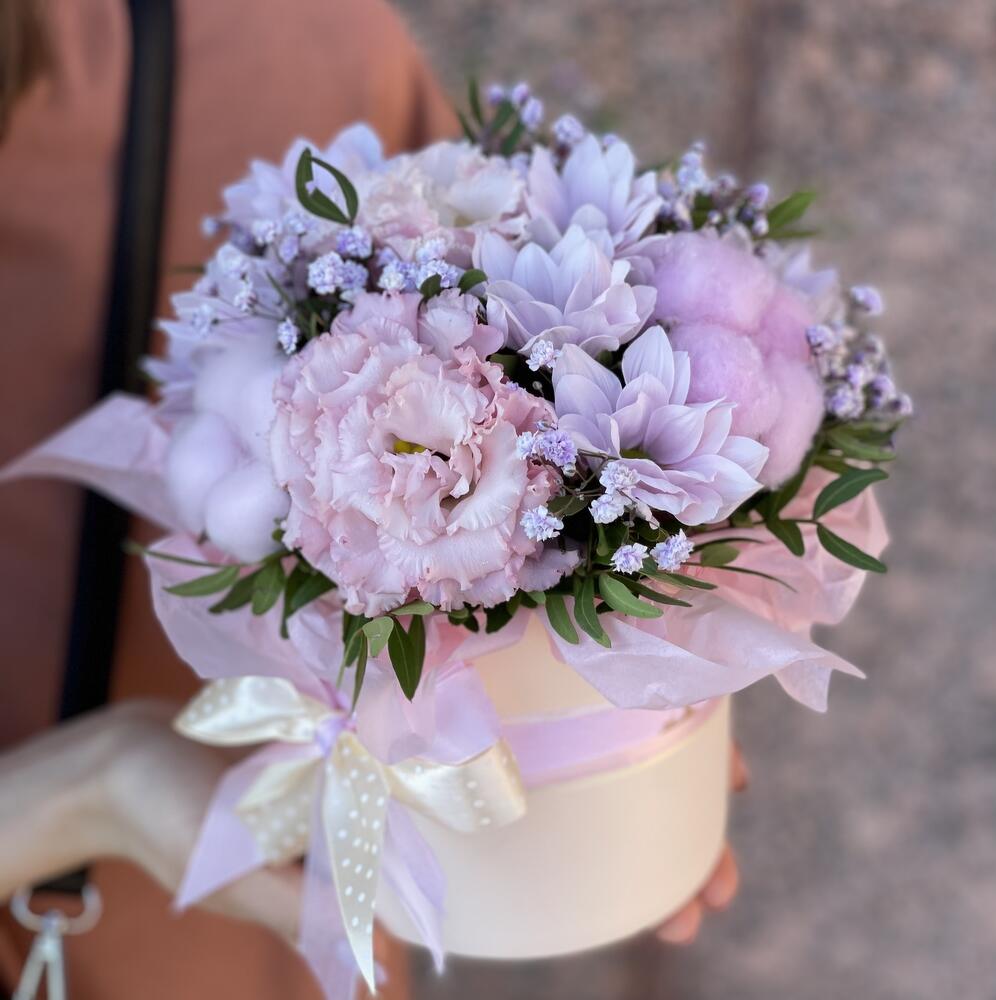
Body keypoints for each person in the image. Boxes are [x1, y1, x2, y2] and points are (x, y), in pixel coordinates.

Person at [0, 1, 740, 996]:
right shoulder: (303, 34)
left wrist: (623, 710)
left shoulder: (306, 38)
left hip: (288, 909)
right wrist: (82, 793)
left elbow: (520, 349)